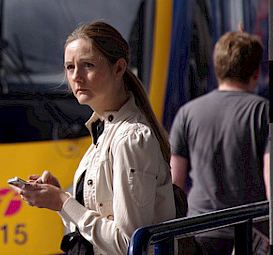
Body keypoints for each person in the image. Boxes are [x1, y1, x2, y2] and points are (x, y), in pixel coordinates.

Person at [10, 21, 176, 255]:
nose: (76, 76)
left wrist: (63, 202)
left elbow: (130, 243)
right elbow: (91, 230)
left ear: (118, 69)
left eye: (87, 65)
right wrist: (62, 200)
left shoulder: (130, 138)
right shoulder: (103, 131)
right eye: (69, 67)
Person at [169, 31, 270, 255]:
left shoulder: (187, 113)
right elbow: (271, 179)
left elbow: (175, 184)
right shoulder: (263, 112)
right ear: (256, 73)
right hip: (250, 234)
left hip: (199, 230)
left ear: (217, 70)